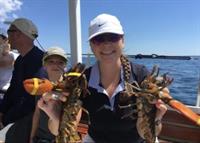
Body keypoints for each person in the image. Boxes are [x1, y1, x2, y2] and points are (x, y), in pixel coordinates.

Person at [38, 13, 168, 143]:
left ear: (122, 41)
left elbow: (146, 134)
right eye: (98, 39)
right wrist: (55, 118)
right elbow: (58, 130)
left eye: (113, 37)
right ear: (91, 46)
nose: (106, 44)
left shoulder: (141, 76)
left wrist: (156, 118)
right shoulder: (82, 79)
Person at [0, 18, 44, 143]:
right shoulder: (20, 60)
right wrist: (2, 112)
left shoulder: (39, 61)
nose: (7, 36)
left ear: (17, 34)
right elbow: (13, 88)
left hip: (28, 121)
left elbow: (31, 101)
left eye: (9, 31)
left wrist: (6, 120)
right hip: (15, 115)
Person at [30, 47, 68, 143]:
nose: (55, 65)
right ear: (44, 65)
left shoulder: (69, 89)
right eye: (51, 61)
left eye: (60, 62)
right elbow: (37, 113)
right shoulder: (41, 87)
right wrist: (31, 137)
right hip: (41, 137)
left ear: (65, 66)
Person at [0, 29, 15, 93]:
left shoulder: (12, 55)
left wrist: (3, 51)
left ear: (6, 40)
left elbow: (4, 63)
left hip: (4, 90)